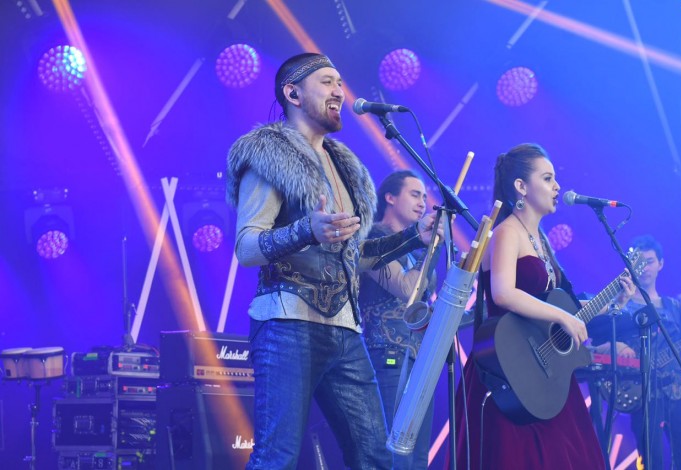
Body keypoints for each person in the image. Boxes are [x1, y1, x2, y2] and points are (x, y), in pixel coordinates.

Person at [226, 52, 438, 470]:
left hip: (345, 330)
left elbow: (354, 258)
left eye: (340, 82)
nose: (339, 91)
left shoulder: (345, 167)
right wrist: (307, 229)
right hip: (287, 323)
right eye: (326, 81)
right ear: (293, 94)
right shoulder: (268, 154)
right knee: (277, 457)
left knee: (374, 456)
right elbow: (246, 248)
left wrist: (415, 237)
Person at [450, 143, 622, 469]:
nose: (557, 187)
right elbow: (503, 293)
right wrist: (563, 316)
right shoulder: (505, 232)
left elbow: (567, 309)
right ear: (521, 186)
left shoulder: (539, 240)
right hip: (508, 367)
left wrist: (613, 299)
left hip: (544, 372)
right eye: (547, 178)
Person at [591, 235, 681, 470]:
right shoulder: (619, 305)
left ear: (661, 264)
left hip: (676, 391)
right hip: (640, 391)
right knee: (652, 461)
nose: (644, 267)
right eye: (638, 262)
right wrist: (616, 347)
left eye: (650, 261)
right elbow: (593, 344)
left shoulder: (675, 306)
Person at [359, 170, 436, 470]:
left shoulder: (418, 246)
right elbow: (407, 289)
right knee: (396, 454)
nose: (422, 203)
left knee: (417, 456)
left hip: (420, 358)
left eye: (424, 197)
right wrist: (431, 249)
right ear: (390, 197)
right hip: (387, 355)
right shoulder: (374, 238)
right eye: (414, 194)